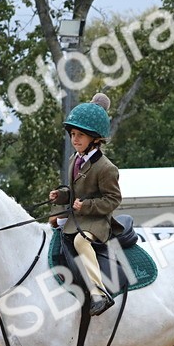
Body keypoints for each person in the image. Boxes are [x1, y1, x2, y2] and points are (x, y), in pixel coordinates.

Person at [49, 93, 122, 316]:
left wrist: (87, 206)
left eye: (80, 135)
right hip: (76, 217)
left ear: (95, 138)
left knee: (80, 241)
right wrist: (61, 196)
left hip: (97, 222)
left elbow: (113, 199)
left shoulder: (106, 168)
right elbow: (74, 192)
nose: (75, 139)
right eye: (73, 134)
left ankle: (99, 293)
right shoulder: (75, 159)